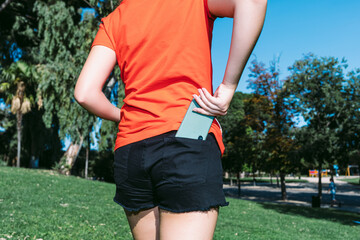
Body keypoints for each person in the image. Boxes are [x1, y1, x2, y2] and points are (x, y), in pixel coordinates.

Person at [74, 0, 267, 239]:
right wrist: (228, 86)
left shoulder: (114, 20)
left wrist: (125, 116)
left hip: (131, 149)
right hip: (186, 135)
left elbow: (84, 93)